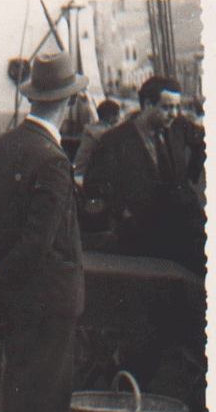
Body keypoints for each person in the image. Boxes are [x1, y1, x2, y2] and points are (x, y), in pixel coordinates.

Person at [0, 51, 86, 412]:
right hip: (49, 298)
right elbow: (39, 241)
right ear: (69, 101)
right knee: (48, 399)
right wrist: (2, 270)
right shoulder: (54, 159)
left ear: (32, 96)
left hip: (12, 296)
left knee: (18, 389)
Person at [83, 76, 206, 276]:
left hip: (184, 227)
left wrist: (191, 176)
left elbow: (203, 140)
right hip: (145, 236)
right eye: (167, 107)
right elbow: (94, 183)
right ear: (147, 104)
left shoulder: (177, 125)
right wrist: (122, 211)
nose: (174, 113)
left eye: (177, 107)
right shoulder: (115, 140)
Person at [72, 98, 121, 182]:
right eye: (118, 115)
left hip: (81, 173)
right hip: (82, 175)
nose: (119, 117)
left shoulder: (94, 127)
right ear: (110, 117)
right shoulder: (100, 132)